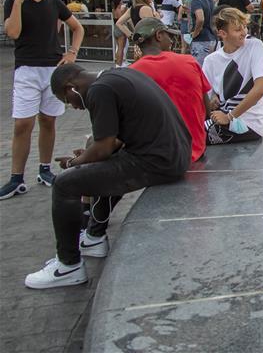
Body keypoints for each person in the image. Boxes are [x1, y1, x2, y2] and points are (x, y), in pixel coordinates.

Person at [25, 63, 190, 288]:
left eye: (67, 101)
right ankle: (94, 238)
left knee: (65, 184)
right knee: (100, 165)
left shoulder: (98, 91)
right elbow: (113, 141)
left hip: (157, 161)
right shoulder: (117, 74)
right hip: (173, 154)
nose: (73, 107)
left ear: (71, 87)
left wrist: (73, 163)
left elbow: (102, 148)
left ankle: (68, 266)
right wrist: (90, 156)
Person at [1, 0, 85, 200]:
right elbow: (13, 32)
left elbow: (77, 28)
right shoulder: (12, 2)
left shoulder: (53, 2)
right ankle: (16, 177)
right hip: (26, 69)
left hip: (52, 68)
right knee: (22, 124)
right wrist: (17, 0)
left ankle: (45, 169)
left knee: (48, 120)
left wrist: (72, 54)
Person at [130, 18, 211, 163]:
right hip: (195, 150)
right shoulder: (189, 61)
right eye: (169, 36)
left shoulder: (131, 73)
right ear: (159, 35)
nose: (172, 41)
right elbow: (207, 111)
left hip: (155, 156)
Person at [202, 8, 263, 144]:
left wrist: (229, 116)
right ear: (222, 33)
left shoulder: (254, 46)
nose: (244, 33)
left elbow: (261, 88)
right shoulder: (210, 60)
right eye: (238, 30)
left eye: (244, 27)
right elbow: (206, 97)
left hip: (248, 124)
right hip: (221, 118)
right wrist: (213, 100)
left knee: (189, 138)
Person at [181, 0, 217, 66]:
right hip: (212, 38)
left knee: (199, 69)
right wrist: (190, 11)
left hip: (201, 40)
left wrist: (195, 33)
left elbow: (200, 19)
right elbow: (209, 13)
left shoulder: (196, 1)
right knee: (209, 69)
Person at [112, 0, 129, 65]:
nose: (122, 1)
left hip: (115, 29)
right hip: (120, 29)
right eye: (121, 0)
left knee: (119, 47)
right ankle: (119, 64)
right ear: (119, 2)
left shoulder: (114, 9)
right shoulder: (119, 10)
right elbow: (121, 19)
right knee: (121, 48)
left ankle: (119, 63)